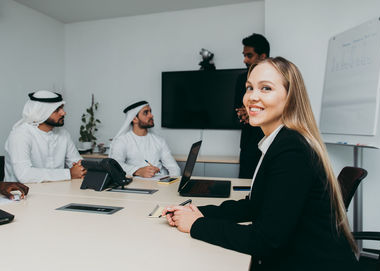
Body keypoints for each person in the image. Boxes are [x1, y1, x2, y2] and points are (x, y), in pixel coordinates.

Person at [162, 57, 359, 270]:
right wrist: (199, 213)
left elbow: (266, 241)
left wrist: (196, 225)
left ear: (290, 97)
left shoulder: (292, 150)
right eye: (249, 88)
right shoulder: (280, 141)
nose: (252, 97)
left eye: (266, 88)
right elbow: (254, 206)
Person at [5, 90, 86, 183]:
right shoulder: (20, 135)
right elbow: (24, 175)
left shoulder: (63, 134)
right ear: (41, 112)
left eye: (62, 108)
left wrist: (80, 169)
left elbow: (78, 165)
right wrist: (69, 174)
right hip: (22, 194)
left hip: (58, 191)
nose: (63, 113)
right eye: (57, 110)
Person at [110, 101, 180, 178]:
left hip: (160, 183)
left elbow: (174, 168)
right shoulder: (122, 141)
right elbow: (115, 165)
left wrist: (172, 183)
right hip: (135, 185)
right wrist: (138, 171)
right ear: (134, 119)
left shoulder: (159, 141)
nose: (151, 115)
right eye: (146, 113)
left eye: (150, 112)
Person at [235, 33, 270, 178]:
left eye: (249, 55)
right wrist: (243, 114)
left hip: (269, 142)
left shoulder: (277, 79)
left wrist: (254, 112)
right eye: (244, 55)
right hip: (248, 145)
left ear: (262, 56)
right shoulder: (241, 79)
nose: (245, 60)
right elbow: (237, 109)